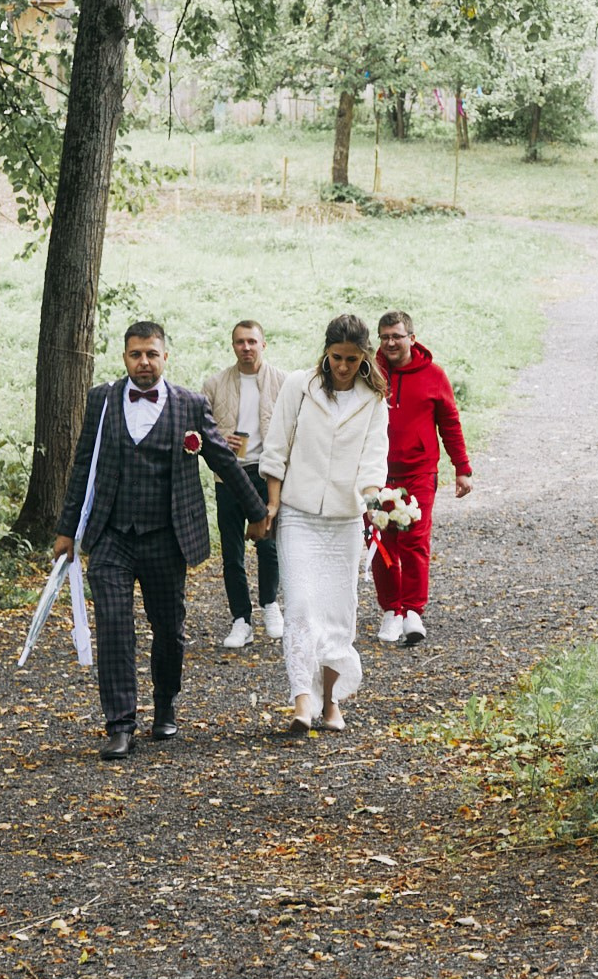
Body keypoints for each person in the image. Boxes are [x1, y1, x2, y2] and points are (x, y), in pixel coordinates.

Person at [54, 321, 268, 760]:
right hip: (111, 535)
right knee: (114, 627)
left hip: (166, 537)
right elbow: (83, 466)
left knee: (168, 629)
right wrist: (66, 529)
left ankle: (166, 704)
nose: (144, 362)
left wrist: (257, 512)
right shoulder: (102, 399)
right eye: (136, 354)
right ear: (125, 358)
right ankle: (120, 724)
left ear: (165, 356)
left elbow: (223, 460)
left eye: (152, 354)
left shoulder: (189, 403)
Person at [256, 315, 391, 736]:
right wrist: (273, 504)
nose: (344, 367)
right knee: (299, 605)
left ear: (365, 357)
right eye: (337, 358)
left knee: (337, 612)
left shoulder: (374, 399)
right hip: (298, 514)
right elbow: (277, 446)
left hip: (344, 519)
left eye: (352, 359)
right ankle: (302, 701)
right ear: (326, 352)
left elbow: (374, 456)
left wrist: (374, 501)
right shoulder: (300, 385)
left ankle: (330, 702)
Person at [372, 309, 472, 647]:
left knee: (414, 539)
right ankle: (391, 611)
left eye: (397, 336)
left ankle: (413, 610)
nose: (390, 343)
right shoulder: (371, 375)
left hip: (419, 471)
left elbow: (450, 422)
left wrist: (462, 468)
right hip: (379, 472)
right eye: (385, 337)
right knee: (383, 542)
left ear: (411, 338)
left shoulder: (433, 375)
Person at [200, 320, 287, 649]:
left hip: (266, 473)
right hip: (229, 475)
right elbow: (198, 433)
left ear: (263, 344)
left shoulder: (282, 382)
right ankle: (241, 619)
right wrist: (220, 439)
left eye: (252, 341)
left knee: (268, 545)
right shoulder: (215, 384)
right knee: (232, 551)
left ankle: (270, 606)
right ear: (233, 345)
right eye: (240, 342)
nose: (246, 347)